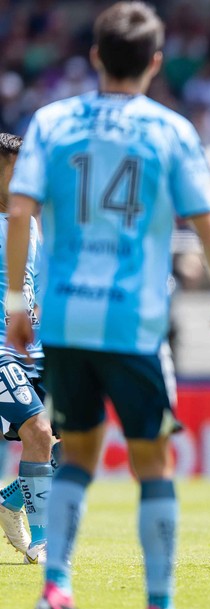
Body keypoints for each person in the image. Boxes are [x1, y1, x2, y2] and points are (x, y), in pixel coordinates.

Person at [5, 3, 210, 609]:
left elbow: (19, 212)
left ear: (95, 57)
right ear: (156, 62)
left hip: (64, 320)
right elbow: (208, 227)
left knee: (75, 454)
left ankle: (56, 588)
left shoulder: (51, 122)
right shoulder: (170, 129)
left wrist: (17, 301)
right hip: (134, 322)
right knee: (153, 461)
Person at [0, 132, 59, 566]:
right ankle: (42, 542)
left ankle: (8, 499)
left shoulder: (31, 223)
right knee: (37, 430)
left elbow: (34, 288)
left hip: (31, 347)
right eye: (16, 167)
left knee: (69, 442)